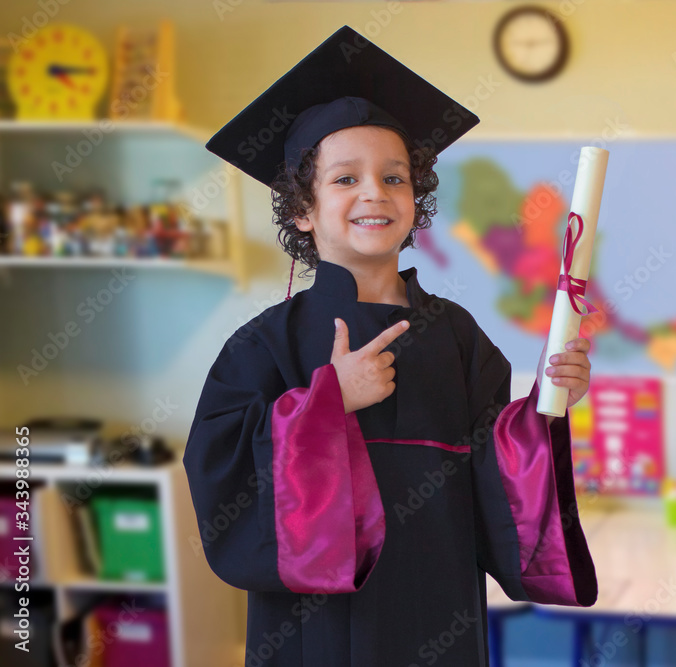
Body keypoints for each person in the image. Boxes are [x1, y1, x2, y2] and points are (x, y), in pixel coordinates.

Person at [183, 25, 597, 667]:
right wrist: (326, 403)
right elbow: (221, 472)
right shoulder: (263, 344)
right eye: (345, 179)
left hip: (439, 601)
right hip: (314, 619)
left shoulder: (457, 334)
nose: (374, 192)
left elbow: (498, 464)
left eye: (394, 177)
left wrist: (547, 408)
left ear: (415, 200)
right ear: (302, 209)